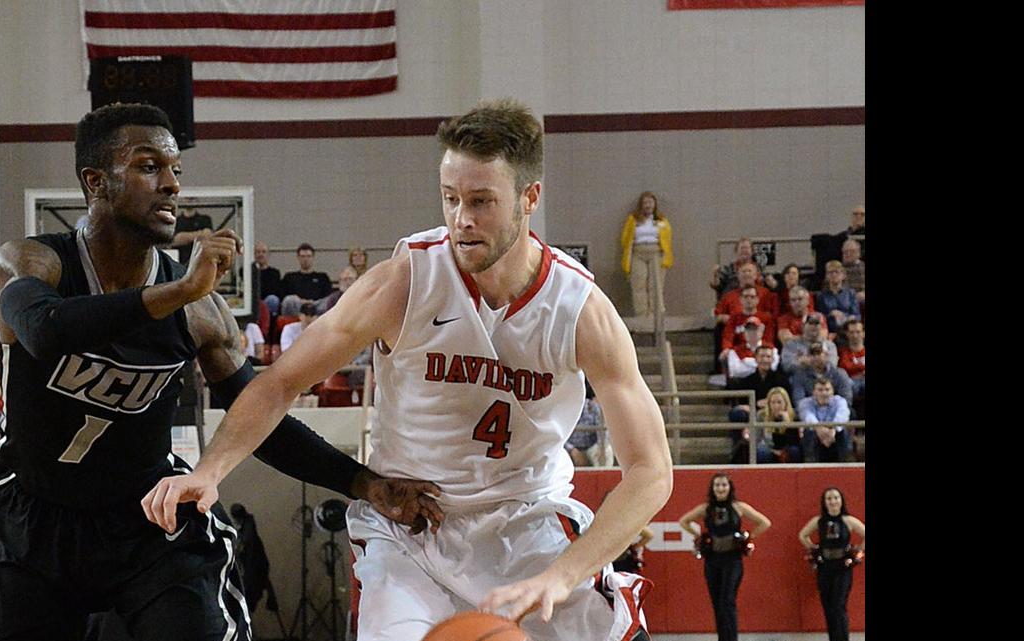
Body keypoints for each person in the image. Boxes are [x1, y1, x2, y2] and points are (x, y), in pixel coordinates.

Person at [142, 98, 673, 641]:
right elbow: (279, 383)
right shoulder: (405, 281)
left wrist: (562, 575)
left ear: (529, 197)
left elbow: (651, 471)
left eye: (482, 201)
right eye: (450, 198)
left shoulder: (579, 309)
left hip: (528, 523)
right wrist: (208, 472)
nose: (462, 219)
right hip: (411, 529)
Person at [0, 103, 440, 641]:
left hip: (149, 518)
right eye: (149, 166)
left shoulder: (201, 313)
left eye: (176, 170)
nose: (172, 184)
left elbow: (258, 417)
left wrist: (364, 482)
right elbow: (44, 329)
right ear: (96, 181)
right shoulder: (33, 262)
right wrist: (177, 291)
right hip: (38, 519)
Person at [677, 474, 771, 641]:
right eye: (717, 485)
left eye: (724, 485)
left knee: (727, 600)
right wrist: (699, 536)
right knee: (717, 603)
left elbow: (764, 522)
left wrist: (748, 537)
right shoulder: (706, 509)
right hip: (712, 560)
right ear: (712, 489)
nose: (720, 488)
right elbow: (684, 521)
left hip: (732, 560)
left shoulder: (739, 507)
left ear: (730, 487)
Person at [798, 487, 865, 641]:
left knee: (839, 605)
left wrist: (858, 551)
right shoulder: (818, 521)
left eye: (836, 497)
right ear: (824, 502)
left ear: (841, 500)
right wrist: (814, 549)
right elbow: (803, 535)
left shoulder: (848, 521)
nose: (833, 501)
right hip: (825, 567)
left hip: (843, 568)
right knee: (827, 606)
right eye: (829, 498)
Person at [619, 191, 673, 317]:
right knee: (638, 284)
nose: (648, 205)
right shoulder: (633, 220)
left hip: (656, 253)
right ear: (641, 205)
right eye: (645, 203)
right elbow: (625, 238)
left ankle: (656, 316)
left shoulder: (662, 220)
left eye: (650, 202)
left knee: (656, 285)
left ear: (655, 204)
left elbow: (668, 238)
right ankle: (642, 315)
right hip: (638, 253)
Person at [797, 377, 853, 462]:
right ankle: (811, 464)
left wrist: (833, 429)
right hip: (815, 436)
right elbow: (808, 417)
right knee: (809, 431)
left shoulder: (840, 401)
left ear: (832, 391)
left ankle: (845, 463)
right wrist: (820, 429)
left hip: (834, 435)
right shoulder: (805, 403)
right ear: (814, 392)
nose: (824, 393)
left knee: (843, 431)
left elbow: (842, 416)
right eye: (820, 390)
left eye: (827, 390)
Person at [279, 243, 334, 316]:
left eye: (308, 256)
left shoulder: (323, 277)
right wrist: (300, 301)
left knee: (328, 301)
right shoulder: (289, 277)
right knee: (289, 299)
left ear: (313, 257)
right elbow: (283, 297)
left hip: (316, 307)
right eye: (303, 256)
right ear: (298, 258)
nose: (305, 259)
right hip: (297, 308)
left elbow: (328, 296)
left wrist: (312, 302)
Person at [815, 260, 859, 340]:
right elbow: (819, 317)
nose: (834, 275)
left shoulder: (850, 293)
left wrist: (846, 317)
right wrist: (830, 314)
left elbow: (857, 315)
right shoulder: (821, 296)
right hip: (829, 331)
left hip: (848, 330)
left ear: (843, 275)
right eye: (830, 272)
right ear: (826, 276)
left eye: (837, 272)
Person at [758, 386, 801, 463]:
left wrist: (788, 423)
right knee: (762, 452)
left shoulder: (794, 415)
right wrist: (773, 451)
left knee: (794, 451)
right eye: (773, 402)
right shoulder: (761, 415)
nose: (776, 406)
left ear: (786, 403)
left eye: (779, 402)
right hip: (769, 449)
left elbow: (794, 442)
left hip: (786, 450)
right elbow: (758, 440)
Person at [838, 319, 866, 418]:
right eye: (851, 332)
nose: (855, 335)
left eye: (858, 332)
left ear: (863, 333)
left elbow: (850, 367)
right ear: (847, 334)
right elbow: (845, 367)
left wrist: (855, 368)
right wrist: (862, 369)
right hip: (850, 385)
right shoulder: (842, 352)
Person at [251, 241, 283, 319]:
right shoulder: (247, 272)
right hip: (252, 302)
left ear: (268, 255)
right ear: (254, 254)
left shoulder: (274, 273)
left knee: (273, 299)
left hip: (268, 303)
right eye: (258, 252)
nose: (261, 254)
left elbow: (275, 292)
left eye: (263, 252)